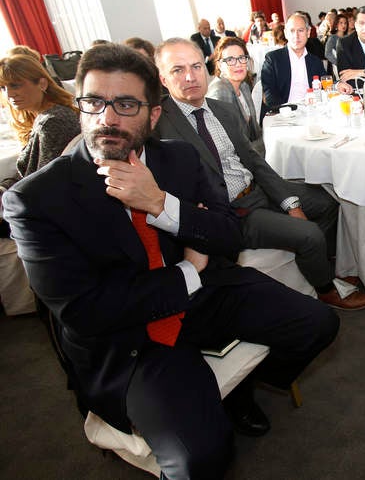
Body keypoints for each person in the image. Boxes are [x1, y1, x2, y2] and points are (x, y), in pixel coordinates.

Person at [2, 43, 339, 479]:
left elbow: (229, 233)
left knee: (319, 324)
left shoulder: (177, 160)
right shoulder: (36, 199)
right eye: (94, 102)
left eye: (125, 105)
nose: (107, 119)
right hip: (131, 336)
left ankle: (237, 391)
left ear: (154, 114)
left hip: (206, 294)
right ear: (80, 106)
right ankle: (205, 404)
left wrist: (162, 205)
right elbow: (85, 312)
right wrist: (188, 271)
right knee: (203, 458)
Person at [152, 38, 365, 311]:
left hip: (256, 189)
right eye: (177, 70)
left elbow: (254, 161)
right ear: (162, 78)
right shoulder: (157, 123)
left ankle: (319, 267)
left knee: (327, 202)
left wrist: (288, 201)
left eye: (196, 66)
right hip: (230, 211)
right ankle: (326, 289)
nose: (189, 76)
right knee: (309, 234)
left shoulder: (222, 109)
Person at [0, 55, 80, 190]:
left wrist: (7, 193)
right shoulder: (50, 115)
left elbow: (43, 182)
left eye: (15, 85)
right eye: (3, 88)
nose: (9, 95)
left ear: (42, 84)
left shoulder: (53, 122)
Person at [206, 37, 263, 155]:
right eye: (230, 60)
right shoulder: (219, 93)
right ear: (220, 65)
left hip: (252, 151)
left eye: (241, 58)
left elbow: (253, 131)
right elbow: (230, 147)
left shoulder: (244, 87)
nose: (238, 64)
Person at [261, 13, 329, 110]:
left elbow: (326, 85)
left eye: (300, 30)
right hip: (284, 113)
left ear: (308, 32)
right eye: (292, 31)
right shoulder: (273, 59)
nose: (296, 36)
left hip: (312, 111)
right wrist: (289, 110)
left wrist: (338, 84)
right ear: (285, 33)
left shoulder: (315, 61)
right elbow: (269, 95)